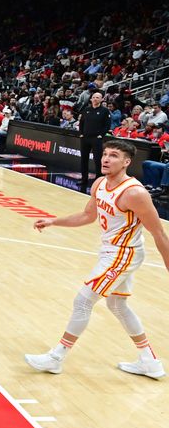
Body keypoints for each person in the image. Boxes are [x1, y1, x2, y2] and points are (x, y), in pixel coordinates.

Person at [26, 140, 169, 379]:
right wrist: (53, 220)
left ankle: (56, 357)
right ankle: (149, 361)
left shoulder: (135, 193)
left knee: (83, 301)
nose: (105, 159)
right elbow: (87, 215)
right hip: (110, 251)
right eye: (104, 154)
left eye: (113, 155)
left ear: (126, 162)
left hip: (124, 253)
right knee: (117, 305)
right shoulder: (100, 183)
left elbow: (159, 232)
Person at [78, 91, 111, 188]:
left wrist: (101, 135)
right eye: (94, 97)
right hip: (85, 138)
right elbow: (81, 122)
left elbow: (107, 125)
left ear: (101, 99)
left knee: (97, 160)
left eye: (98, 97)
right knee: (84, 159)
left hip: (96, 138)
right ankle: (84, 179)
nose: (95, 99)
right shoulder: (86, 109)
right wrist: (81, 134)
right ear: (91, 99)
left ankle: (99, 180)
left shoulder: (104, 111)